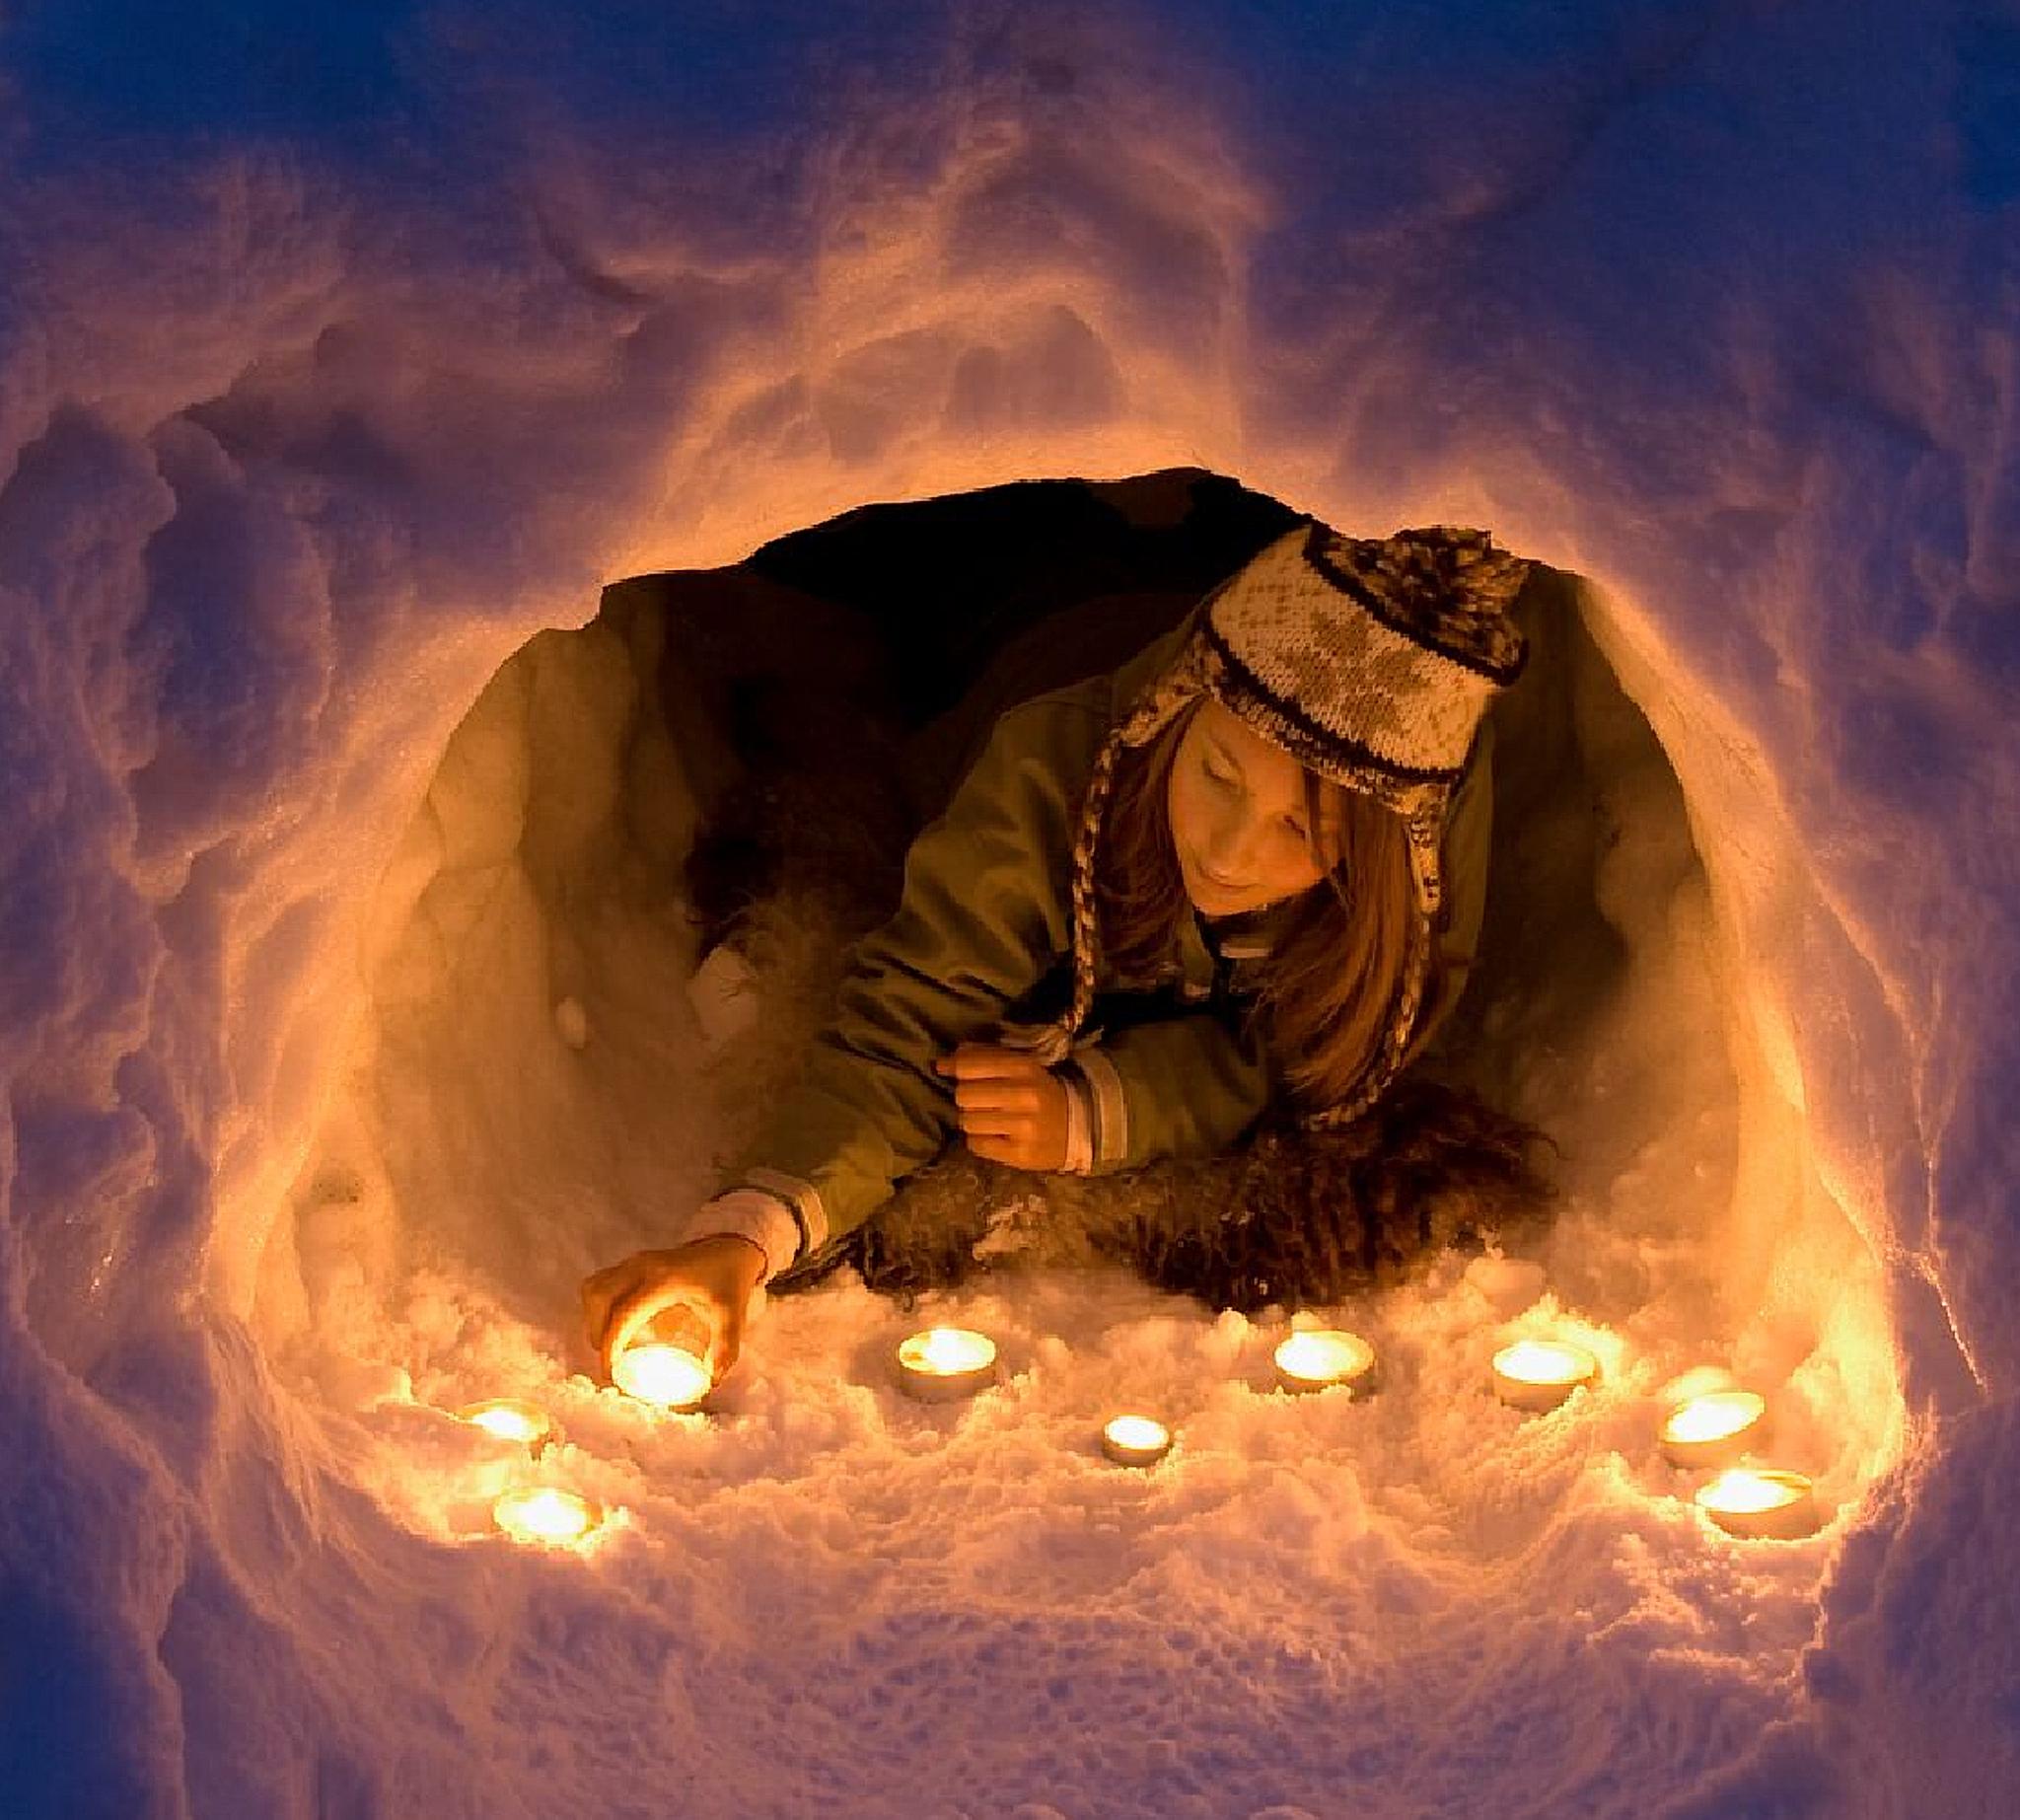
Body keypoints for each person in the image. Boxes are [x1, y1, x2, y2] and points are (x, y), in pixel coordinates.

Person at [581, 520, 1533, 1384]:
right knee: (965, 574)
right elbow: (905, 1024)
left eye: (1301, 830)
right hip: (1021, 633)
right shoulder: (1047, 774)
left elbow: (1316, 1058)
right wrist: (747, 1236)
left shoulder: (1411, 898)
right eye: (1216, 774)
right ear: (1173, 712)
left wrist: (1104, 1108)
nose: (1230, 850)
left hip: (1177, 591)